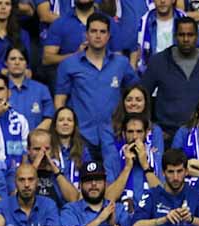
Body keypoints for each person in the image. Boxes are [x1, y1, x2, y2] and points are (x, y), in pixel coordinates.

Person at [54, 14, 137, 152]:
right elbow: (59, 101)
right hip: (81, 137)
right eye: (93, 31)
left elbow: (136, 94)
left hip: (114, 136)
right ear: (86, 34)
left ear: (109, 35)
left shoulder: (121, 63)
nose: (98, 36)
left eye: (102, 31)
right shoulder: (69, 64)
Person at [141, 20, 199, 142]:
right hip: (167, 136)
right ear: (175, 36)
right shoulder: (159, 61)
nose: (186, 39)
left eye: (190, 35)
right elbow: (142, 95)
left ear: (197, 36)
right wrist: (151, 128)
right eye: (181, 35)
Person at [131, 148, 199, 226]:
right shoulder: (152, 195)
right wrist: (163, 220)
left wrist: (191, 219)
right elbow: (135, 225)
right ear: (163, 173)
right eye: (171, 172)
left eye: (179, 171)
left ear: (186, 171)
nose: (175, 177)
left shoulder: (196, 194)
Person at [60, 160, 128, 226]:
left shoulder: (119, 210)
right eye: (88, 180)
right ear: (80, 185)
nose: (93, 184)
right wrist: (99, 220)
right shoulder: (70, 211)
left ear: (105, 183)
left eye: (98, 179)